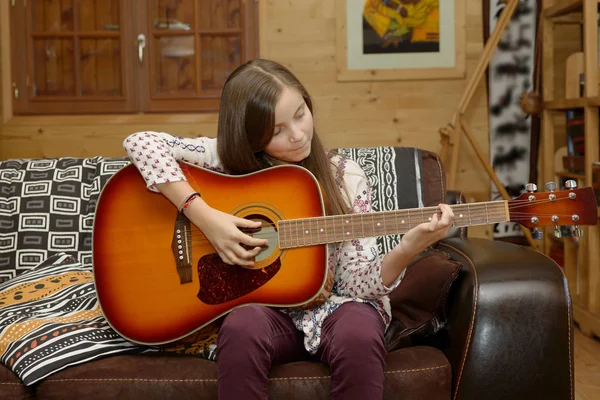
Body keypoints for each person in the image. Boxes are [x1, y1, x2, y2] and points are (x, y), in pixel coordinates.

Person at [123, 58, 454, 399]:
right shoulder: (224, 159)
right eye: (276, 131)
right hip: (269, 313)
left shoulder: (344, 176)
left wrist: (406, 249)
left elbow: (357, 283)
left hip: (339, 307)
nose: (297, 135)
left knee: (359, 329)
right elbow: (141, 142)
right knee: (242, 326)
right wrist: (205, 217)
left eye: (300, 114)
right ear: (251, 138)